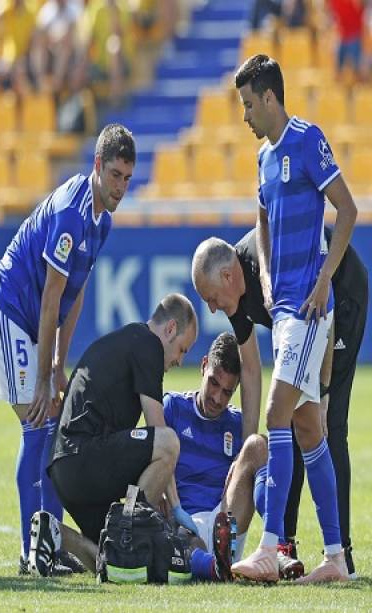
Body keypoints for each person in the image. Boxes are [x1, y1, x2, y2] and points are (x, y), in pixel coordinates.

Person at [194, 53, 358, 583]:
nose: (243, 115)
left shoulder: (309, 140)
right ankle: (336, 559)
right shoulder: (263, 159)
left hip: (309, 310)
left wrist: (325, 278)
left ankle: (269, 546)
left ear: (269, 98)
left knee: (275, 413)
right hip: (284, 307)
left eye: (247, 103)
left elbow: (348, 210)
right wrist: (264, 273)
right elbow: (261, 216)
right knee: (310, 431)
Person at [0, 123, 136, 574]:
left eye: (127, 177)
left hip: (29, 323)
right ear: (97, 166)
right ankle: (34, 553)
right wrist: (46, 374)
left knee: (49, 432)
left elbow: (75, 292)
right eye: (115, 175)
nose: (121, 186)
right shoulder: (72, 213)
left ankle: (45, 545)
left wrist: (59, 364)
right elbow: (50, 298)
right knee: (41, 425)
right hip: (7, 312)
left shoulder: (101, 219)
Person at [192, 228, 367, 579]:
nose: (211, 308)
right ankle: (283, 549)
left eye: (210, 297)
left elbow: (323, 306)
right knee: (286, 422)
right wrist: (247, 448)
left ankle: (340, 554)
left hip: (339, 299)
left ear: (228, 276)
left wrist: (323, 389)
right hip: (305, 322)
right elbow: (251, 370)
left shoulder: (271, 262)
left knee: (325, 427)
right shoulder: (234, 294)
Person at [27, 293, 198, 576]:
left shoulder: (125, 340)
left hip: (65, 468)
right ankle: (129, 536)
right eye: (182, 349)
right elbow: (159, 431)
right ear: (170, 330)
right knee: (169, 441)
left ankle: (54, 532)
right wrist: (176, 507)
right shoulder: (148, 344)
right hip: (84, 457)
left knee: (109, 560)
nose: (180, 360)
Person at [163, 331, 304, 582]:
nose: (217, 398)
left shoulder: (237, 423)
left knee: (257, 444)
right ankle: (215, 567)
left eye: (227, 392)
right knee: (183, 537)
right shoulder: (173, 407)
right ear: (204, 365)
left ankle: (279, 547)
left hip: (225, 520)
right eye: (213, 383)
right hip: (183, 523)